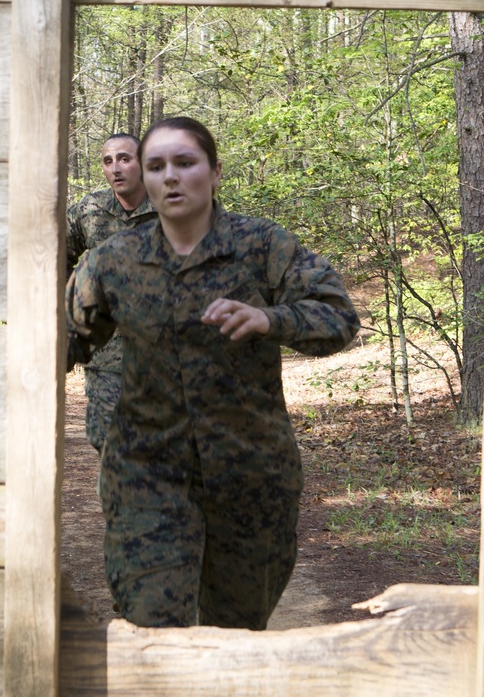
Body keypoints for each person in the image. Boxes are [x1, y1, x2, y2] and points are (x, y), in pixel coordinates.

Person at [65, 116, 359, 629]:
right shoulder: (113, 260)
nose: (170, 177)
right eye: (156, 166)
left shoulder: (261, 246)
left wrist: (270, 318)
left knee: (236, 634)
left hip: (249, 473)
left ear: (215, 171)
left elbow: (339, 316)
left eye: (185, 162)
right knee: (151, 629)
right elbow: (63, 340)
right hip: (146, 473)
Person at [66, 133, 157, 451]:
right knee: (107, 440)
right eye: (108, 161)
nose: (116, 168)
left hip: (165, 353)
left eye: (124, 159)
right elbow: (54, 260)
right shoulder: (90, 209)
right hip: (106, 353)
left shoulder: (170, 206)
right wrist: (67, 319)